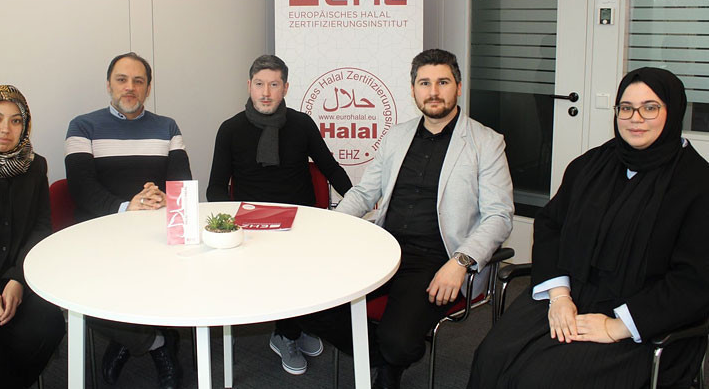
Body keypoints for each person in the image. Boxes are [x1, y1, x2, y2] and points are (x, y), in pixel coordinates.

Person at [468, 67, 709, 388]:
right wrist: (560, 296)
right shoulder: (591, 165)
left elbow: (694, 282)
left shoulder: (697, 184)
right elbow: (551, 225)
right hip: (572, 293)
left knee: (541, 379)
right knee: (492, 356)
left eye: (650, 108)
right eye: (626, 108)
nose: (635, 118)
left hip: (644, 320)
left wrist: (617, 326)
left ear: (673, 111)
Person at [302, 49, 514, 388]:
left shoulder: (486, 142)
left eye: (443, 82)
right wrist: (333, 226)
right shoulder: (396, 136)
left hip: (437, 258)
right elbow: (364, 193)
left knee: (399, 341)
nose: (434, 92)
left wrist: (461, 261)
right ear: (413, 89)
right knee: (308, 303)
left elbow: (499, 216)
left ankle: (392, 355)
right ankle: (386, 357)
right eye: (424, 83)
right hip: (382, 247)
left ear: (458, 87)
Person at [206, 54, 353, 375]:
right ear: (249, 85)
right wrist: (227, 226)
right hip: (250, 226)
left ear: (285, 88)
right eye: (259, 84)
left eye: (274, 85)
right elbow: (215, 187)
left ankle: (291, 328)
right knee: (277, 268)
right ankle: (288, 333)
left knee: (306, 266)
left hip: (301, 221)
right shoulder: (230, 129)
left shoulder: (302, 124)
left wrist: (360, 201)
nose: (266, 93)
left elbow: (330, 168)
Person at [65, 52, 192, 389]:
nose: (130, 87)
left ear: (148, 88)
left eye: (138, 81)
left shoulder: (167, 127)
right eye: (122, 79)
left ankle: (129, 337)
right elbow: (81, 189)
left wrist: (164, 198)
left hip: (157, 232)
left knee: (187, 274)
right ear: (109, 85)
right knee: (79, 291)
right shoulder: (82, 126)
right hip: (100, 234)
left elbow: (181, 182)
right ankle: (156, 342)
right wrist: (126, 207)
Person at [0, 85, 65, 388]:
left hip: (14, 276)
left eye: (16, 120)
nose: (5, 129)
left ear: (25, 126)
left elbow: (41, 228)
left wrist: (17, 280)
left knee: (49, 326)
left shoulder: (35, 166)